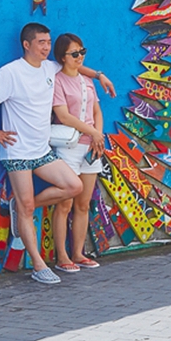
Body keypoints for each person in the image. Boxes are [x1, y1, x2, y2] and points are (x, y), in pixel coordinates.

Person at [0, 23, 115, 285]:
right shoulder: (11, 72)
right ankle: (39, 265)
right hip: (17, 152)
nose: (46, 47)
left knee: (73, 186)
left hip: (41, 150)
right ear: (26, 45)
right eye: (41, 42)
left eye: (48, 42)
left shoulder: (49, 68)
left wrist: (99, 76)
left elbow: (74, 67)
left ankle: (20, 208)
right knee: (27, 206)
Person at [50, 33, 105, 272]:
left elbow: (96, 111)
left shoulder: (87, 81)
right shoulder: (58, 81)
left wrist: (97, 136)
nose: (80, 57)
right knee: (65, 204)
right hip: (68, 147)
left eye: (82, 51)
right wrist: (92, 132)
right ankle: (62, 257)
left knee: (83, 204)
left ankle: (78, 253)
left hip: (91, 147)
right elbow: (63, 116)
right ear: (62, 57)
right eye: (74, 53)